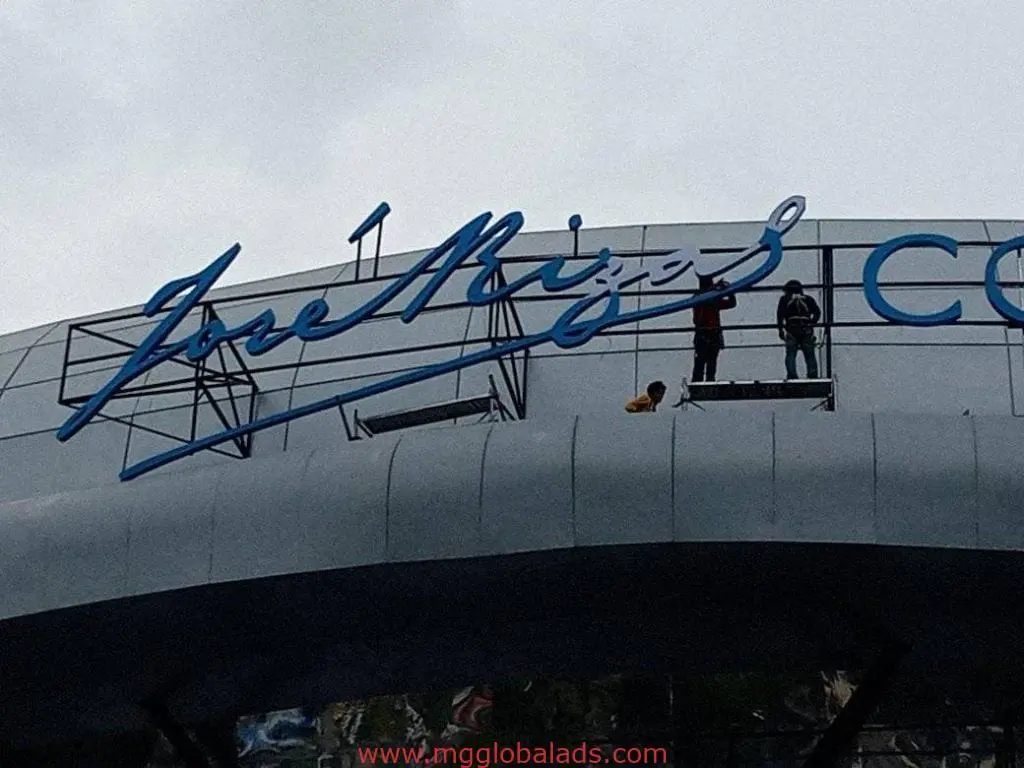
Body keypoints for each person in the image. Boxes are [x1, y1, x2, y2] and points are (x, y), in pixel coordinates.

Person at [691, 275, 737, 382]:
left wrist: (729, 291)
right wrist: (724, 290)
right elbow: (731, 303)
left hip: (711, 333)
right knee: (701, 366)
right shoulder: (699, 297)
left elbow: (731, 303)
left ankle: (707, 387)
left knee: (710, 365)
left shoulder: (709, 297)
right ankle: (699, 388)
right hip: (704, 333)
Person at [776, 279, 821, 380]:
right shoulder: (808, 299)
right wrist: (812, 323)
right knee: (809, 354)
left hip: (791, 328)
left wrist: (780, 330)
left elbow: (779, 315)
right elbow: (817, 312)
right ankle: (812, 375)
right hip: (806, 328)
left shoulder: (784, 299)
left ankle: (792, 375)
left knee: (791, 354)